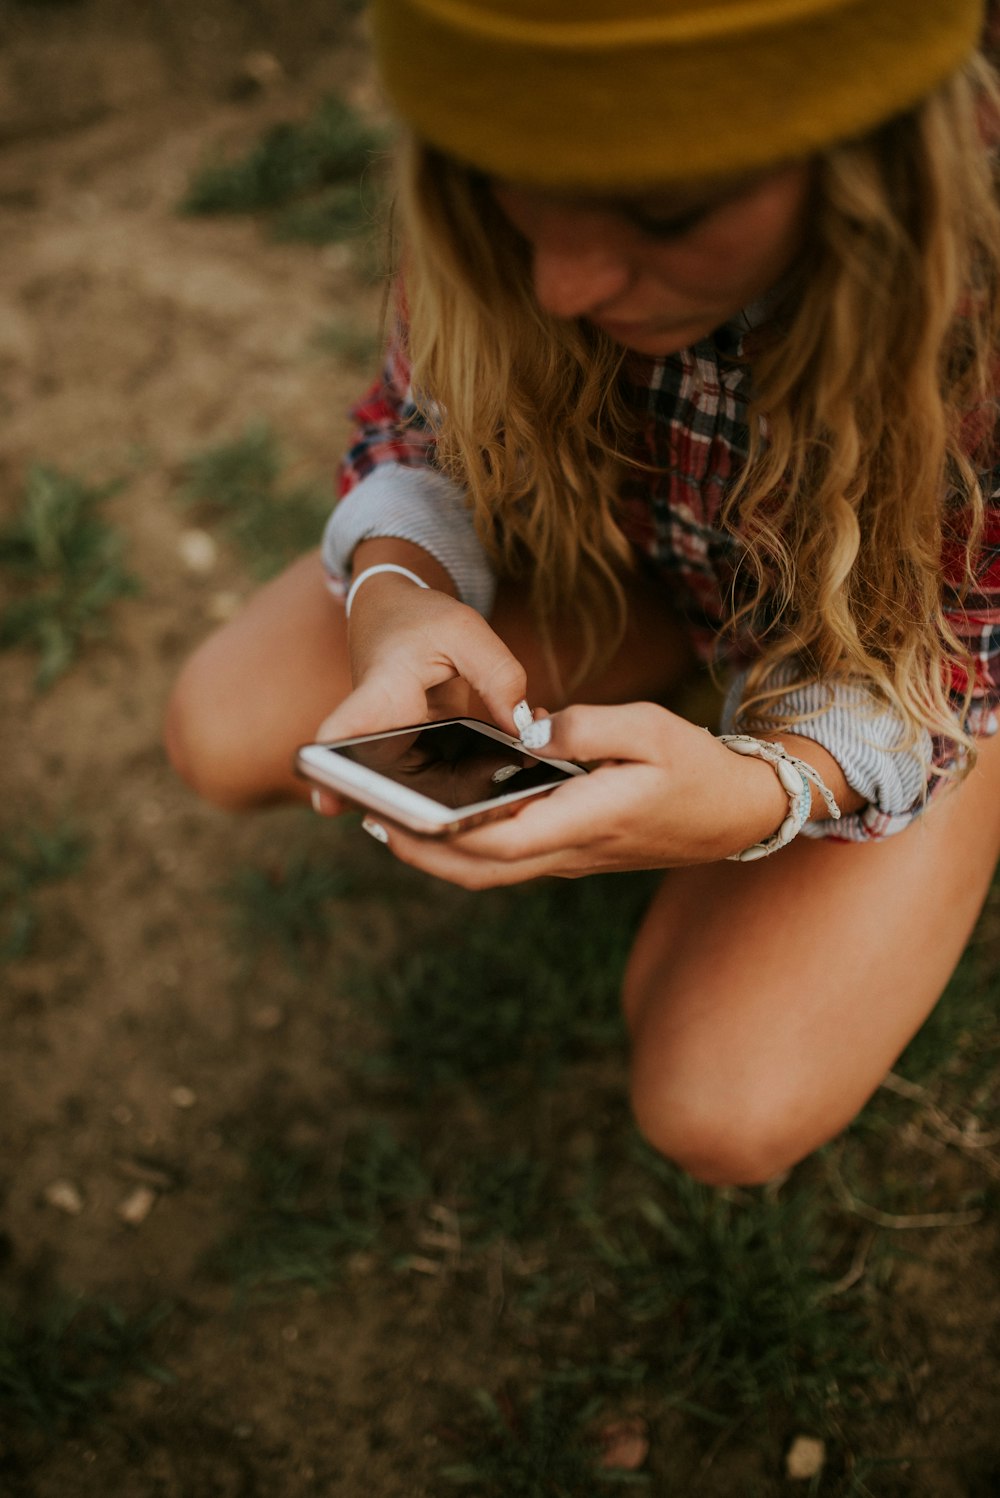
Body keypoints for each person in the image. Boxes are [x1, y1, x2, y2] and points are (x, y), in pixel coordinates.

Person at [165, 0, 1000, 1187]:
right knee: (228, 726)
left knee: (725, 1105)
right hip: (620, 564)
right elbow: (420, 426)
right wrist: (400, 594)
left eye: (662, 212)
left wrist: (762, 794)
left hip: (899, 657)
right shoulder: (501, 147)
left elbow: (958, 653)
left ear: (866, 160)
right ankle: (666, 649)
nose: (561, 281)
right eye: (514, 187)